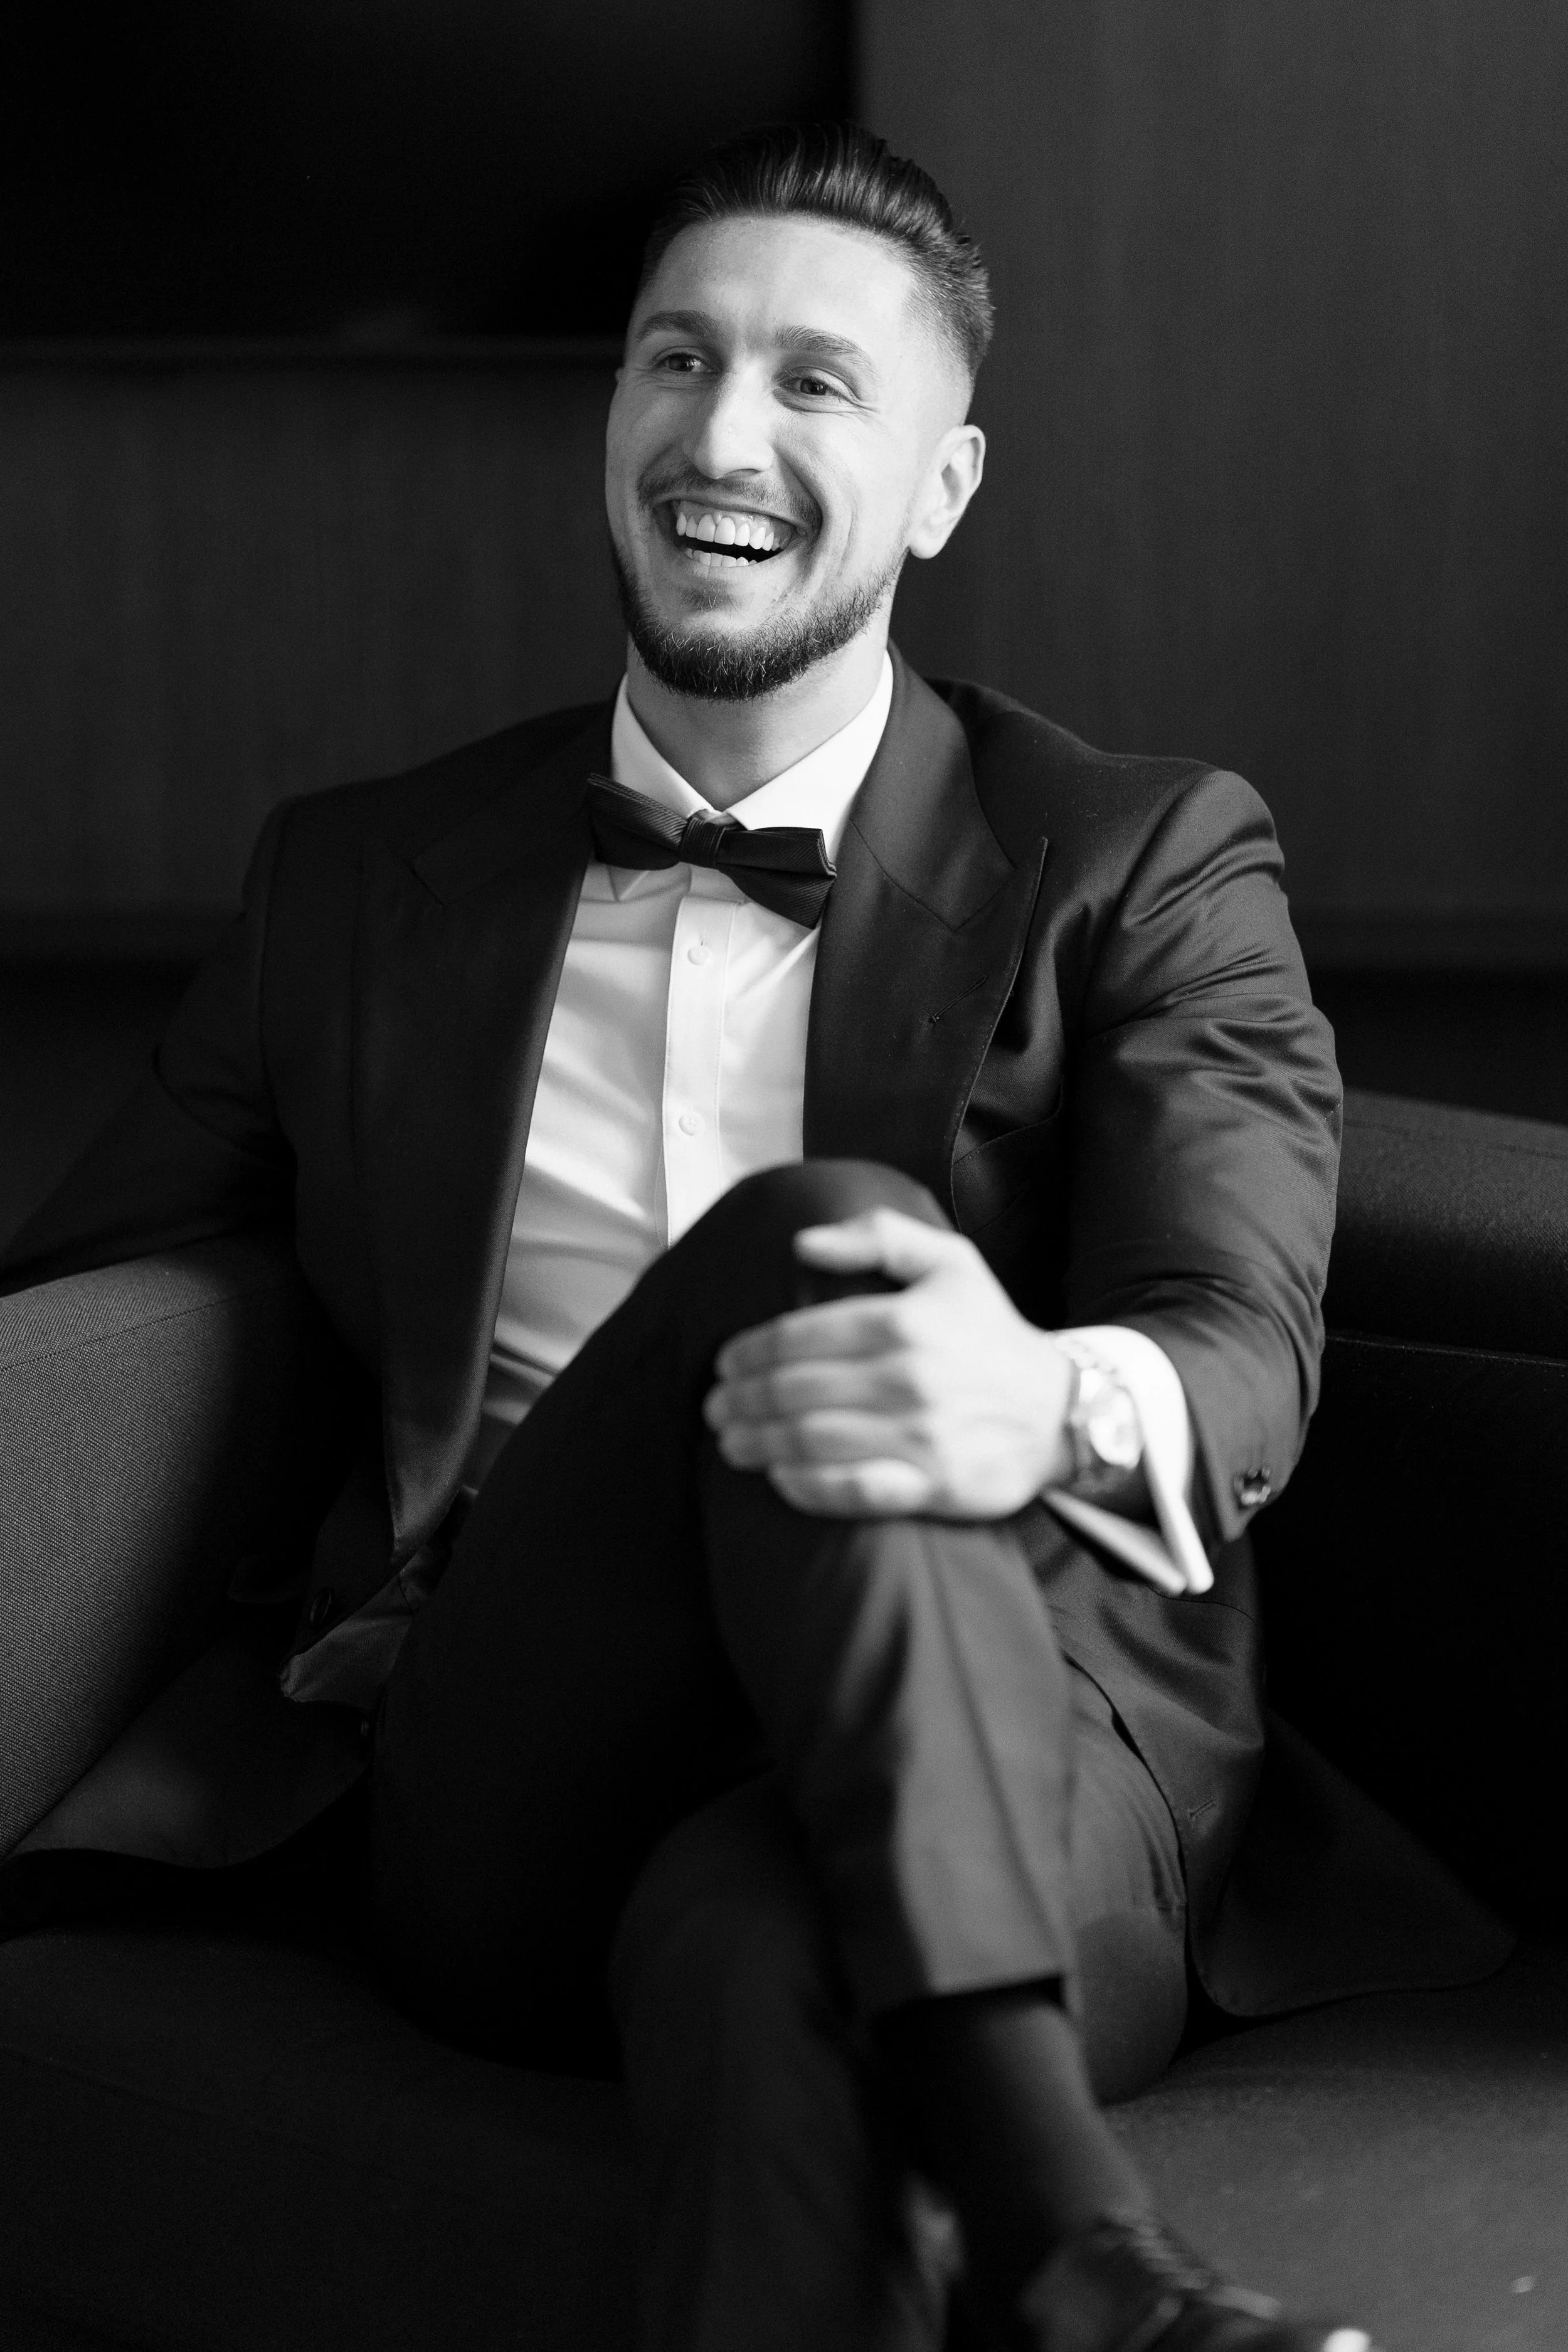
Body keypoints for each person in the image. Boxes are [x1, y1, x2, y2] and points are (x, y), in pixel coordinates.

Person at [7, 120, 1498, 2352]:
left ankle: (1046, 2236)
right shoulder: (355, 877)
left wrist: (1028, 1394)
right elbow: (78, 1304)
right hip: (512, 1741)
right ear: (610, 416)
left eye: (816, 383)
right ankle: (1094, 2264)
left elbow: (1235, 1340)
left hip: (1027, 1747)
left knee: (764, 1933)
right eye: (672, 360)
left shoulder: (1140, 857)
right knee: (820, 1235)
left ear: (943, 484)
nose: (721, 429)